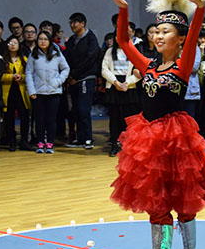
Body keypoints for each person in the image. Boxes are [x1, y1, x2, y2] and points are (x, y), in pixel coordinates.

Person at [103, 0, 205, 249]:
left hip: (177, 139)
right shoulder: (148, 67)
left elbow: (194, 33)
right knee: (156, 206)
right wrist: (124, 10)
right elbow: (124, 42)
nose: (157, 36)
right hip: (148, 141)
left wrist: (200, 7)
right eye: (156, 31)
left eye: (165, 31)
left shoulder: (182, 66)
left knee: (185, 203)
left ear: (180, 39)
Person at [25, 31, 70, 154]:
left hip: (54, 92)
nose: (43, 41)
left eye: (45, 39)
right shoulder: (33, 55)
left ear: (50, 41)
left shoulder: (57, 54)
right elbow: (28, 73)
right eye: (40, 39)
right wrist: (31, 90)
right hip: (38, 93)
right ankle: (40, 143)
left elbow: (66, 68)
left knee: (51, 119)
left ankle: (50, 143)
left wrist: (58, 81)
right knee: (39, 119)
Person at [101, 31, 140, 156]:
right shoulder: (109, 51)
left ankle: (130, 146)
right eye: (117, 35)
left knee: (129, 119)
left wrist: (127, 83)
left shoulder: (133, 50)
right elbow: (104, 70)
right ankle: (114, 144)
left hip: (129, 88)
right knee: (114, 118)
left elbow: (139, 71)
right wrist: (116, 82)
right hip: (114, 87)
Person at [64, 12, 100, 149]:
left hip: (86, 78)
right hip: (73, 79)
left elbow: (89, 60)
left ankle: (88, 139)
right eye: (71, 23)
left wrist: (75, 75)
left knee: (84, 109)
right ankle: (80, 138)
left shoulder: (91, 39)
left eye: (75, 22)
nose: (72, 25)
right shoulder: (71, 41)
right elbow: (67, 59)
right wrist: (70, 77)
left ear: (83, 23)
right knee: (76, 110)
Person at [1, 37, 31, 151]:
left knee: (24, 116)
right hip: (8, 91)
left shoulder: (24, 59)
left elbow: (29, 75)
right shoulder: (2, 59)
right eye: (10, 43)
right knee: (9, 118)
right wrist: (11, 77)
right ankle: (11, 142)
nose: (13, 45)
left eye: (15, 43)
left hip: (21, 91)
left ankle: (24, 141)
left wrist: (21, 77)